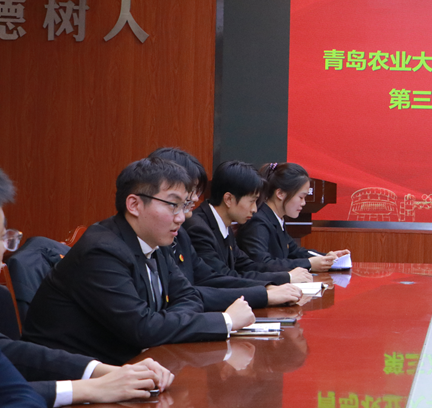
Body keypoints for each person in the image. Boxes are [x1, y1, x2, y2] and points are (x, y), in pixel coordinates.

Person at [22, 158, 255, 366]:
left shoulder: (155, 240)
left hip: (132, 366)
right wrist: (226, 320)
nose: (181, 217)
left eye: (184, 205)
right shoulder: (101, 250)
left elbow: (189, 296)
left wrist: (161, 323)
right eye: (172, 204)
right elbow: (142, 329)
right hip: (72, 376)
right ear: (134, 205)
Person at [0, 167, 175, 406]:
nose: (4, 250)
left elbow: (8, 353)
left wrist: (105, 372)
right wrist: (89, 388)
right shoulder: (102, 247)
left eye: (3, 237)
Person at [149, 148, 302, 311]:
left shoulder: (184, 234)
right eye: (189, 191)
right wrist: (266, 292)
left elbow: (212, 276)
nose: (195, 198)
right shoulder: (195, 228)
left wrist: (268, 288)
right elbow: (197, 289)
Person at [185, 161, 313, 285]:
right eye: (252, 201)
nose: (254, 209)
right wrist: (287, 277)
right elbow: (224, 277)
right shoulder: (198, 228)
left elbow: (248, 265)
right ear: (228, 199)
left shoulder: (223, 224)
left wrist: (288, 275)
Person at [237, 162, 349, 273]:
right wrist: (309, 263)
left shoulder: (276, 218)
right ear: (280, 194)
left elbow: (294, 251)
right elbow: (260, 262)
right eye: (301, 197)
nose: (303, 203)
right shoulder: (258, 221)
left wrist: (326, 257)